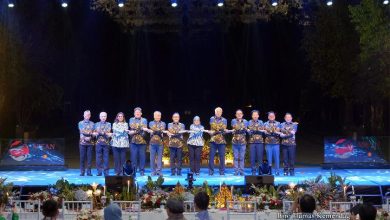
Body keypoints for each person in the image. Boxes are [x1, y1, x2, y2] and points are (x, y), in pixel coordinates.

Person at [206, 107, 228, 176]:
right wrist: (221, 130)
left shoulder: (225, 120)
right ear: (215, 112)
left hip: (222, 141)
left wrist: (219, 130)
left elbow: (222, 129)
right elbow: (214, 127)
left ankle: (222, 171)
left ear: (221, 112)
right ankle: (211, 171)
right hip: (213, 140)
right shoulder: (211, 118)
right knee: (211, 157)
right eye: (217, 111)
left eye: (219, 111)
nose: (218, 113)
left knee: (222, 157)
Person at [128, 107, 148, 176]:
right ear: (134, 114)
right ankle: (134, 171)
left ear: (141, 113)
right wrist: (140, 128)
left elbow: (144, 128)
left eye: (139, 113)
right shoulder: (131, 119)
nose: (137, 114)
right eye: (136, 113)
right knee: (133, 157)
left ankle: (142, 171)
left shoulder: (144, 120)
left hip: (142, 141)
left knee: (142, 157)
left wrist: (135, 130)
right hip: (133, 141)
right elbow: (132, 126)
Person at [146, 111, 166, 176]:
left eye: (159, 115)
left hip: (160, 143)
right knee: (152, 158)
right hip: (152, 143)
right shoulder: (151, 123)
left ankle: (159, 171)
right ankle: (153, 171)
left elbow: (160, 130)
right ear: (154, 116)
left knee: (159, 158)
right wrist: (158, 130)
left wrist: (155, 131)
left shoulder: (163, 123)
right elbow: (157, 130)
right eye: (156, 115)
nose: (158, 117)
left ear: (160, 116)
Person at [93, 112, 112, 176]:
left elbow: (107, 132)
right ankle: (99, 172)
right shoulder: (96, 124)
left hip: (106, 143)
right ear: (99, 117)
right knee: (98, 158)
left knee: (106, 158)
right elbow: (94, 133)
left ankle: (106, 172)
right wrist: (96, 133)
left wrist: (100, 132)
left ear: (106, 117)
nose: (103, 117)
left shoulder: (109, 124)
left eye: (104, 116)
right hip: (98, 143)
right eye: (102, 116)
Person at [230, 109, 248, 176]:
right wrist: (241, 127)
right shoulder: (233, 120)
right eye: (238, 114)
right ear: (235, 115)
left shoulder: (245, 121)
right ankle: (236, 171)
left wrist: (240, 128)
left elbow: (243, 128)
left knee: (242, 157)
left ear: (242, 115)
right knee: (236, 157)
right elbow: (236, 127)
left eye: (240, 113)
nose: (239, 115)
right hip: (235, 142)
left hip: (243, 142)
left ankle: (242, 171)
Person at [247, 110, 265, 175]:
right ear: (252, 116)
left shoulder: (261, 122)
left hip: (260, 142)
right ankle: (253, 170)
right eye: (253, 115)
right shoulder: (249, 122)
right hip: (252, 142)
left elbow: (262, 130)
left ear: (258, 116)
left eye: (256, 115)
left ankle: (260, 170)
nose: (255, 116)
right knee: (252, 157)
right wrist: (256, 130)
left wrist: (254, 130)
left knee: (260, 157)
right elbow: (249, 131)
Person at [263, 111, 281, 175]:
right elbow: (265, 132)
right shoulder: (265, 124)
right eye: (270, 116)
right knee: (269, 158)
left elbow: (277, 131)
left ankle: (277, 171)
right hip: (268, 143)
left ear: (274, 116)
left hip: (276, 143)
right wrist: (272, 132)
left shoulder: (278, 123)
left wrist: (270, 132)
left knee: (276, 158)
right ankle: (269, 171)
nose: (271, 117)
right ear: (268, 117)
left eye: (272, 116)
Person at [78, 110, 94, 176]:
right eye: (86, 115)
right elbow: (81, 132)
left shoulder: (93, 124)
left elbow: (93, 133)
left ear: (90, 116)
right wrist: (85, 138)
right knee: (82, 157)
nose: (87, 116)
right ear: (83, 115)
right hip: (82, 143)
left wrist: (91, 136)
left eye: (88, 115)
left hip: (90, 143)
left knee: (89, 158)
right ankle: (82, 171)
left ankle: (89, 172)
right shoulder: (80, 123)